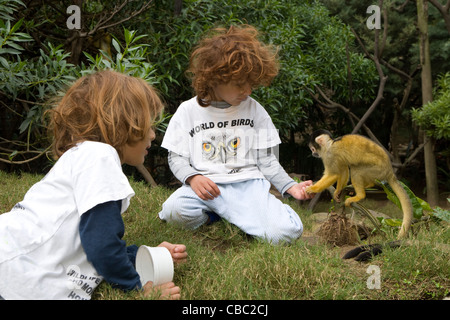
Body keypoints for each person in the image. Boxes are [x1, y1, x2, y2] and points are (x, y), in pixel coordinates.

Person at [0, 70, 187, 300]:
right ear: (124, 123)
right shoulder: (100, 156)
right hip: (14, 270)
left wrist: (141, 256)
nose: (152, 135)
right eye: (147, 125)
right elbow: (102, 246)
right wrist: (138, 288)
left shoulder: (88, 157)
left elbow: (86, 248)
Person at [158, 25, 313, 244]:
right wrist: (193, 177)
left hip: (248, 188)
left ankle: (258, 214)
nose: (248, 91)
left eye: (251, 84)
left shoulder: (255, 110)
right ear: (214, 77)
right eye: (240, 84)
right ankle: (220, 216)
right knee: (174, 212)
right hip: (206, 189)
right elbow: (176, 158)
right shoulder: (188, 111)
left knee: (285, 233)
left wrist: (290, 186)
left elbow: (266, 159)